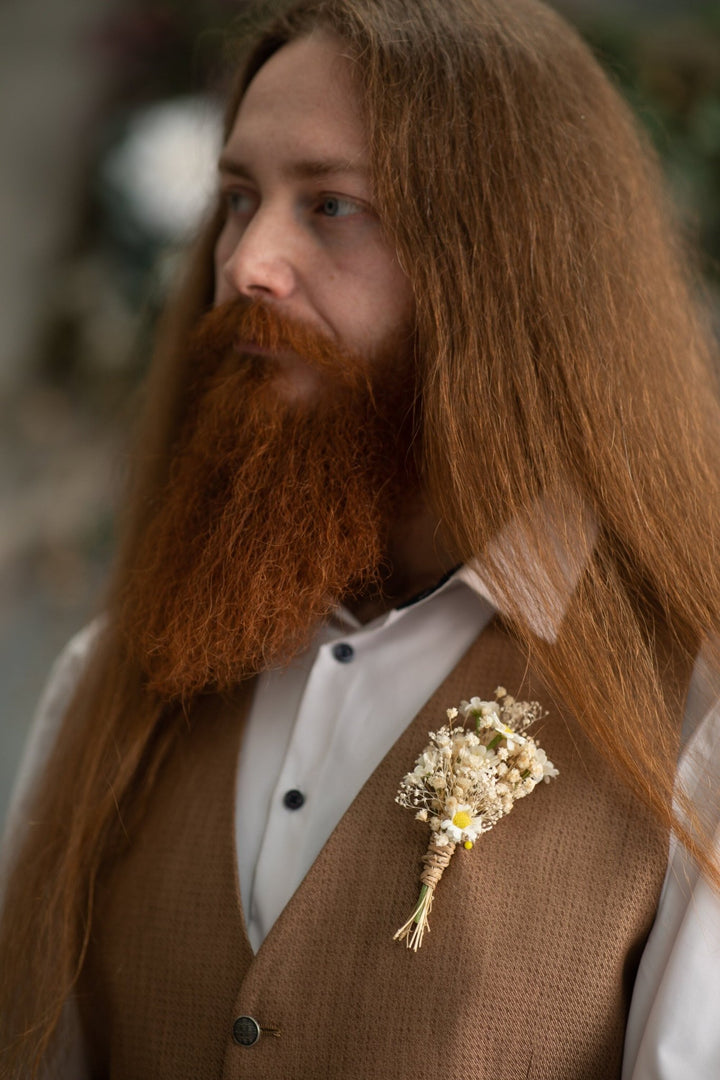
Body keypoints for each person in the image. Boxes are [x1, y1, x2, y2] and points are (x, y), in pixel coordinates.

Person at [2, 0, 720, 1076]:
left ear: (511, 265)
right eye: (237, 200)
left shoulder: (694, 718)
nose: (247, 263)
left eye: (332, 205)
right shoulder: (109, 681)